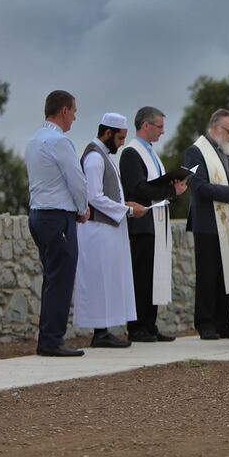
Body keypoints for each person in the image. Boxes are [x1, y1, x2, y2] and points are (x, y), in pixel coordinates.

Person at [73, 113, 148, 347]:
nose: (122, 142)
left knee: (108, 280)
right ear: (107, 133)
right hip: (97, 231)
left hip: (106, 231)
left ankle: (104, 330)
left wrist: (126, 206)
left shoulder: (103, 156)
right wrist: (126, 210)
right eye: (120, 137)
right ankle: (100, 332)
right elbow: (94, 197)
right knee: (100, 281)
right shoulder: (95, 159)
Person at [24, 90, 90, 357]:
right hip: (57, 216)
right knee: (61, 278)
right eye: (73, 112)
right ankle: (52, 339)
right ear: (64, 110)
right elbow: (76, 180)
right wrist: (81, 208)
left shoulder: (33, 140)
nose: (74, 118)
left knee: (52, 277)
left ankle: (49, 337)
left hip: (38, 215)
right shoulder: (59, 141)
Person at [120, 107, 188, 343]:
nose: (163, 131)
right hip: (141, 224)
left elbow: (153, 185)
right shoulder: (131, 153)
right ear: (146, 126)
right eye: (159, 126)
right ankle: (137, 327)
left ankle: (150, 325)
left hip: (156, 222)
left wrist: (174, 189)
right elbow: (137, 188)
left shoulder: (151, 154)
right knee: (141, 276)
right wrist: (170, 189)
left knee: (154, 274)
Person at [184, 109, 229, 340]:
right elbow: (199, 187)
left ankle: (224, 322)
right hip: (207, 223)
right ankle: (205, 324)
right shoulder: (195, 152)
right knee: (208, 275)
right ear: (215, 129)